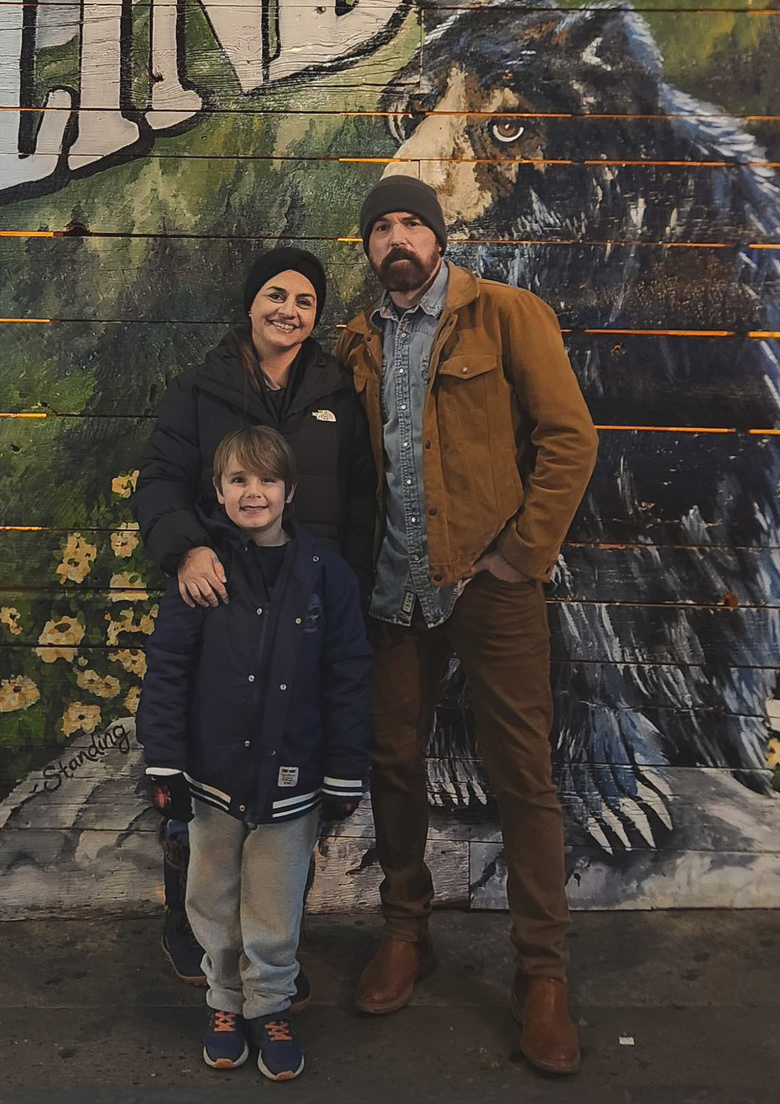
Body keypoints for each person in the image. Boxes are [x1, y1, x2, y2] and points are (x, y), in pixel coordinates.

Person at [334, 175, 598, 1075]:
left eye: (412, 222)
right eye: (382, 228)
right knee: (393, 761)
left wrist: (521, 554)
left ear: (438, 236)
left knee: (523, 774)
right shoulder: (359, 340)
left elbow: (570, 438)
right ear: (369, 248)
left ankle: (542, 975)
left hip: (491, 585)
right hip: (394, 591)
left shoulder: (507, 314)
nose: (397, 238)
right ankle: (406, 933)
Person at [134, 247, 375, 988]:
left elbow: (362, 499)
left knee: (287, 776)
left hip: (306, 608)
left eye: (304, 301)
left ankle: (273, 950)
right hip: (220, 601)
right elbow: (160, 481)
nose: (288, 311)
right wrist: (186, 550)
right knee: (210, 766)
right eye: (276, 294)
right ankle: (197, 933)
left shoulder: (337, 392)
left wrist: (349, 595)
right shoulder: (201, 388)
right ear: (250, 302)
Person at [136, 425, 371, 1080]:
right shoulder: (202, 572)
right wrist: (164, 760)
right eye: (238, 479)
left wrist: (345, 770)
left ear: (290, 491)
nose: (253, 492)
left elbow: (349, 676)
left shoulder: (326, 574)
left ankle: (269, 1004)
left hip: (292, 781)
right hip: (212, 778)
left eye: (267, 479)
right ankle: (224, 1002)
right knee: (212, 894)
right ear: (217, 491)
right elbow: (168, 666)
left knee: (274, 900)